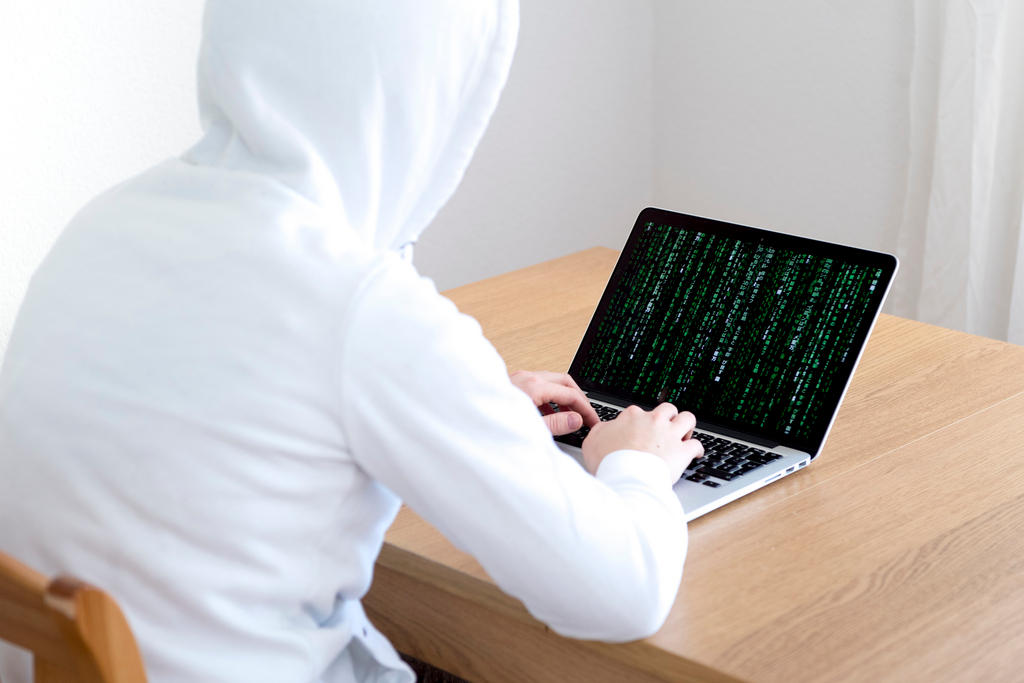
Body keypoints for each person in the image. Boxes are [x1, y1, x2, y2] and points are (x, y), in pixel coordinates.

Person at [0, 1, 703, 681]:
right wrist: (635, 464)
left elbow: (249, 436)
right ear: (429, 91)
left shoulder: (104, 224)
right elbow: (623, 592)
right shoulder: (359, 303)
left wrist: (469, 407)